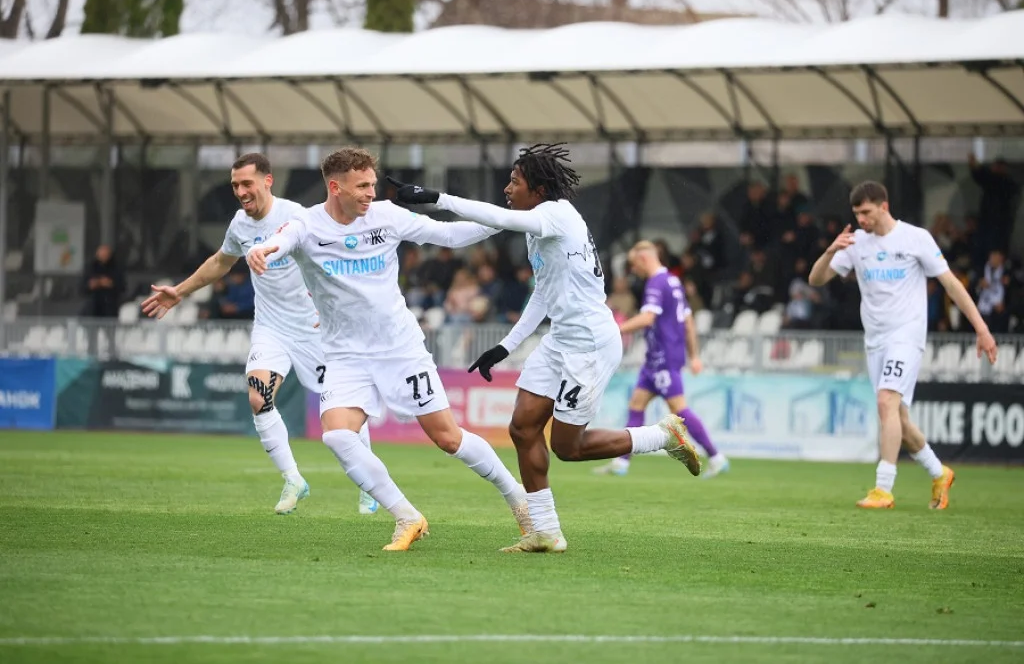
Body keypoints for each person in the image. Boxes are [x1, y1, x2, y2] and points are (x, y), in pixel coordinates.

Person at [387, 143, 702, 554]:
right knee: (522, 428)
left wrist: (436, 198)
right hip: (561, 340)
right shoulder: (542, 227)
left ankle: (661, 436)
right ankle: (545, 532)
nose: (507, 188)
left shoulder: (556, 214)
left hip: (589, 344)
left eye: (514, 181)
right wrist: (505, 347)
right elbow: (543, 294)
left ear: (537, 189)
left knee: (568, 447)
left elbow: (499, 218)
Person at [246, 147, 531, 552]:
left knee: (448, 438)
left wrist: (506, 220)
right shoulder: (306, 225)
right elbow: (284, 237)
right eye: (362, 186)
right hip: (345, 355)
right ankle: (407, 516)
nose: (370, 193)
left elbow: (449, 235)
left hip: (400, 350)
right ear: (335, 187)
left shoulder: (387, 216)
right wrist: (263, 249)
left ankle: (517, 497)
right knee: (337, 435)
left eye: (372, 185)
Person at [141, 153, 379, 517]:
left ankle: (369, 483)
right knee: (258, 397)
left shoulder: (297, 216)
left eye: (246, 183)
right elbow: (221, 262)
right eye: (235, 185)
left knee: (342, 411)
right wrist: (181, 291)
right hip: (271, 328)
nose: (240, 191)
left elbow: (334, 258)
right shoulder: (240, 225)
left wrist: (335, 306)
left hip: (314, 329)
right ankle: (293, 480)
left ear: (267, 181)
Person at [808, 180, 997, 510]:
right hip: (875, 341)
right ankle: (940, 473)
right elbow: (816, 280)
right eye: (856, 213)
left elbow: (951, 284)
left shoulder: (915, 238)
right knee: (900, 422)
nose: (861, 219)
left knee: (886, 401)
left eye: (866, 212)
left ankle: (883, 489)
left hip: (906, 336)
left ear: (884, 206)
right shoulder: (856, 243)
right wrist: (829, 251)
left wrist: (981, 329)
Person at [593, 240, 729, 479]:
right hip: (655, 359)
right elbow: (688, 321)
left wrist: (616, 329)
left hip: (664, 358)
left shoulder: (656, 282)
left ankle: (717, 457)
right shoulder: (674, 281)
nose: (634, 270)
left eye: (634, 265)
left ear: (644, 259)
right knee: (636, 404)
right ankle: (621, 462)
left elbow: (648, 318)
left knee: (679, 409)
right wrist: (694, 355)